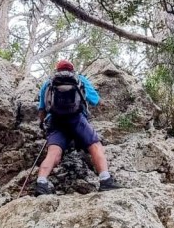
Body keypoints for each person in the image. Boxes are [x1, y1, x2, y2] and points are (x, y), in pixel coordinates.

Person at [35, 59, 119, 195]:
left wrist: (43, 125)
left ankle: (41, 182)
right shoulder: (80, 79)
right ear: (72, 70)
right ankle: (105, 180)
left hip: (56, 121)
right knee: (95, 145)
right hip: (77, 119)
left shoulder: (49, 83)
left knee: (53, 153)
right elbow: (95, 100)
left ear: (57, 70)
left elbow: (42, 109)